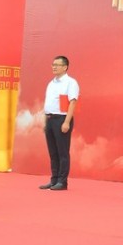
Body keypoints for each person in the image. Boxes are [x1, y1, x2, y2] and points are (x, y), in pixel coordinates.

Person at [40, 55, 79, 191]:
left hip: (62, 119)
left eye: (57, 65)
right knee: (53, 152)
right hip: (50, 119)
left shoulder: (70, 82)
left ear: (65, 67)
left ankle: (62, 182)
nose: (54, 67)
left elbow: (72, 102)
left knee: (62, 152)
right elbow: (48, 103)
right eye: (53, 65)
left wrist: (66, 122)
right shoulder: (51, 83)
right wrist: (45, 122)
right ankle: (54, 179)